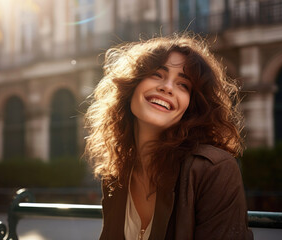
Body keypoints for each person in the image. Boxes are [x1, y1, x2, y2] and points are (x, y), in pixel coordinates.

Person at [85, 33, 254, 240]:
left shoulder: (214, 169)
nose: (167, 87)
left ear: (191, 106)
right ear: (131, 86)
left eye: (183, 85)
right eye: (157, 74)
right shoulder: (117, 172)